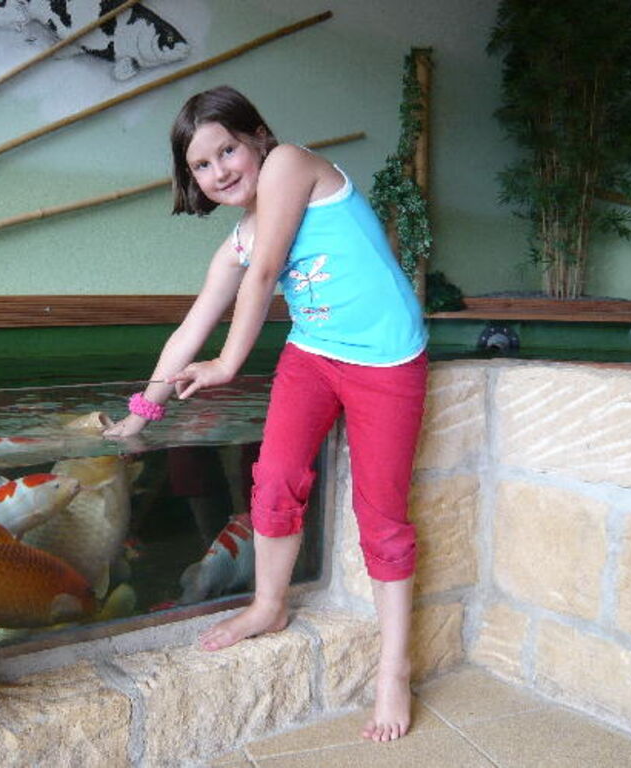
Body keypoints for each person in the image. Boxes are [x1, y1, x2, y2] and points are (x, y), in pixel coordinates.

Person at [103, 85, 428, 742]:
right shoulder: (236, 241)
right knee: (274, 480)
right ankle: (268, 605)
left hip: (387, 359)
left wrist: (228, 365)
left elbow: (267, 272)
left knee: (382, 516)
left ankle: (395, 669)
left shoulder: (290, 164)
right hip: (314, 356)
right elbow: (189, 329)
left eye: (227, 150)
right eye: (201, 164)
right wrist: (139, 415)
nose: (219, 170)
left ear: (258, 137)